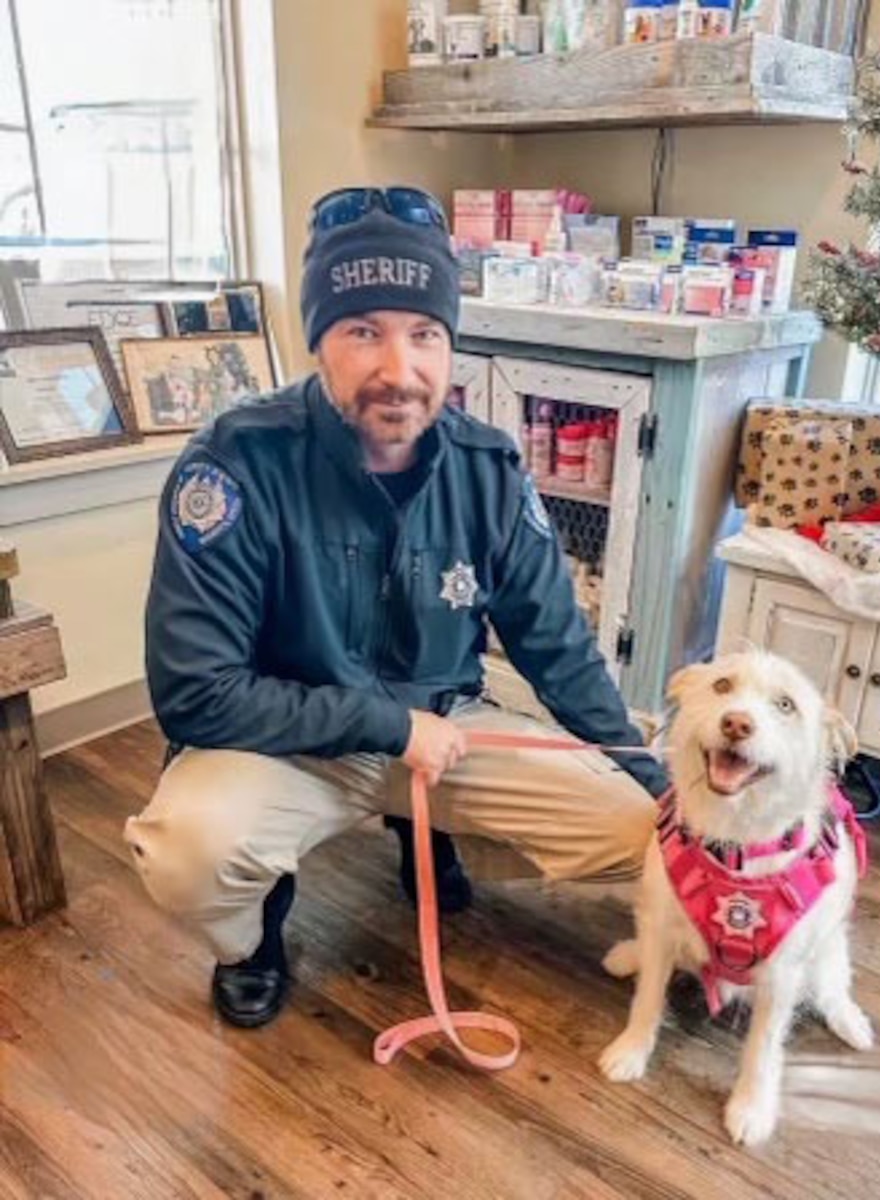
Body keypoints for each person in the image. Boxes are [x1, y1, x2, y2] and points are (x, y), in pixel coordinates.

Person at [125, 186, 668, 1029]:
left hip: (447, 732)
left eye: (424, 334)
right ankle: (253, 941)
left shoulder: (489, 470)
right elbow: (196, 692)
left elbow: (556, 646)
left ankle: (428, 832)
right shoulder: (236, 464)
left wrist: (651, 772)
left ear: (451, 345)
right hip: (288, 744)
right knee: (187, 852)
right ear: (319, 342)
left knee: (645, 835)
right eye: (362, 332)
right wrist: (387, 727)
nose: (398, 369)